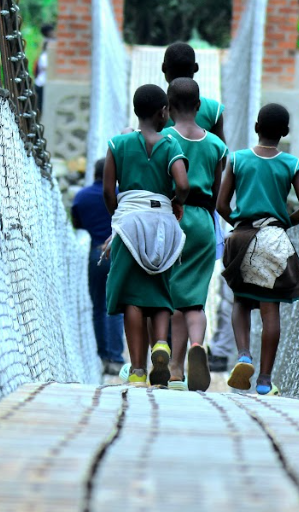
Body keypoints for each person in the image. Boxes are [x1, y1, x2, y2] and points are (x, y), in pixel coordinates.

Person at [215, 103, 299, 395]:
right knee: (271, 310)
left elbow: (221, 204)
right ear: (285, 133)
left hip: (242, 236)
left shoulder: (238, 159)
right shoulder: (291, 164)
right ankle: (264, 379)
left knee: (241, 302)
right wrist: (283, 224)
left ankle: (243, 354)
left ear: (256, 127)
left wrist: (240, 223)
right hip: (274, 237)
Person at [104, 84, 190, 387]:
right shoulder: (170, 145)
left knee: (132, 298)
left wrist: (121, 215)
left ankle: (138, 370)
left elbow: (107, 191)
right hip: (162, 223)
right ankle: (162, 346)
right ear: (163, 112)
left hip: (129, 225)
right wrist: (176, 203)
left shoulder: (118, 144)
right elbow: (182, 184)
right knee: (161, 291)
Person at [162, 78, 227, 392]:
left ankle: (175, 368)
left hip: (172, 218)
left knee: (174, 294)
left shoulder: (163, 138)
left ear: (168, 108)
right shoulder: (216, 144)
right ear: (199, 106)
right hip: (203, 220)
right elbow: (217, 191)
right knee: (195, 299)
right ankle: (196, 346)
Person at [72, 158, 125, 375]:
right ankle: (116, 358)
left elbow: (77, 222)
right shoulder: (121, 195)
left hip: (95, 252)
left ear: (94, 173)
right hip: (118, 252)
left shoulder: (81, 196)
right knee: (116, 307)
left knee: (98, 307)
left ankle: (102, 356)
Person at [161, 43, 225, 142]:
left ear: (163, 68)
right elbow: (221, 153)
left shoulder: (155, 107)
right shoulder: (213, 110)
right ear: (195, 68)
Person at [34, 23, 54, 116]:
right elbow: (44, 66)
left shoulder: (46, 46)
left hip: (44, 82)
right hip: (42, 82)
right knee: (41, 105)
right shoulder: (45, 55)